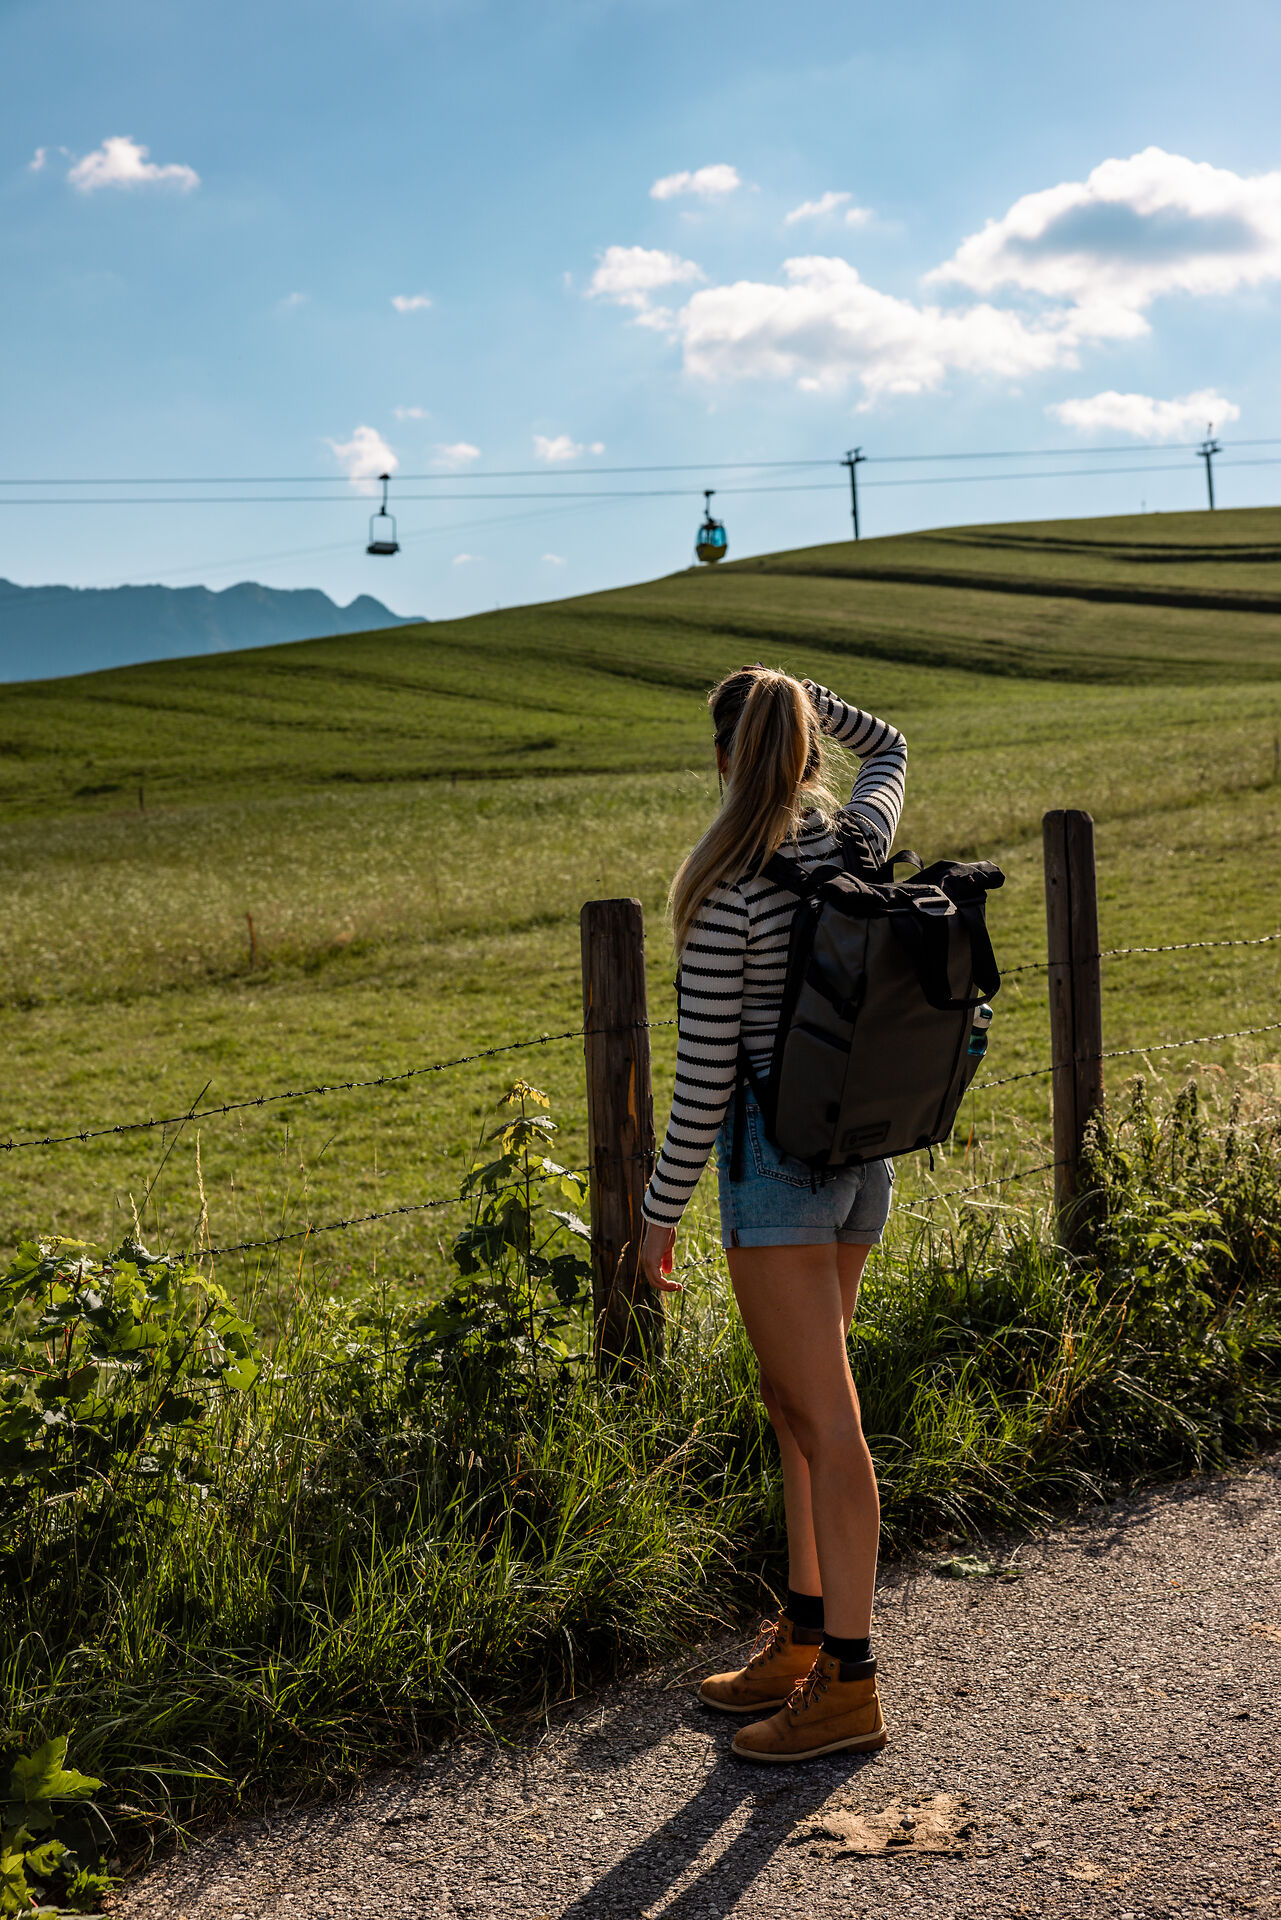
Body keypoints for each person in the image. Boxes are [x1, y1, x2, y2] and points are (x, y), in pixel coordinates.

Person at [639, 665, 907, 1763]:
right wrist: (809, 697)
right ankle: (804, 1635)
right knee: (798, 1404)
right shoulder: (852, 848)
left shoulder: (730, 888)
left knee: (825, 1421)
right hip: (861, 1164)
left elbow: (703, 1079)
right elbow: (890, 745)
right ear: (804, 754)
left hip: (777, 1181)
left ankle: (848, 1680)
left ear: (720, 758)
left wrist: (658, 1217)